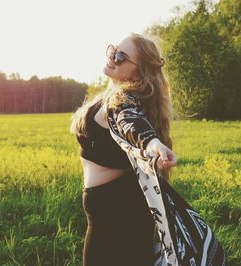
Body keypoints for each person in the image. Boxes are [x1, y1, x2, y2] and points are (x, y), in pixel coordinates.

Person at [70, 32, 177, 266]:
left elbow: (130, 122)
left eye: (121, 57)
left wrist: (153, 143)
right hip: (114, 210)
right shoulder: (114, 96)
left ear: (139, 72)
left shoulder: (124, 102)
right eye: (114, 50)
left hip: (116, 214)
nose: (113, 57)